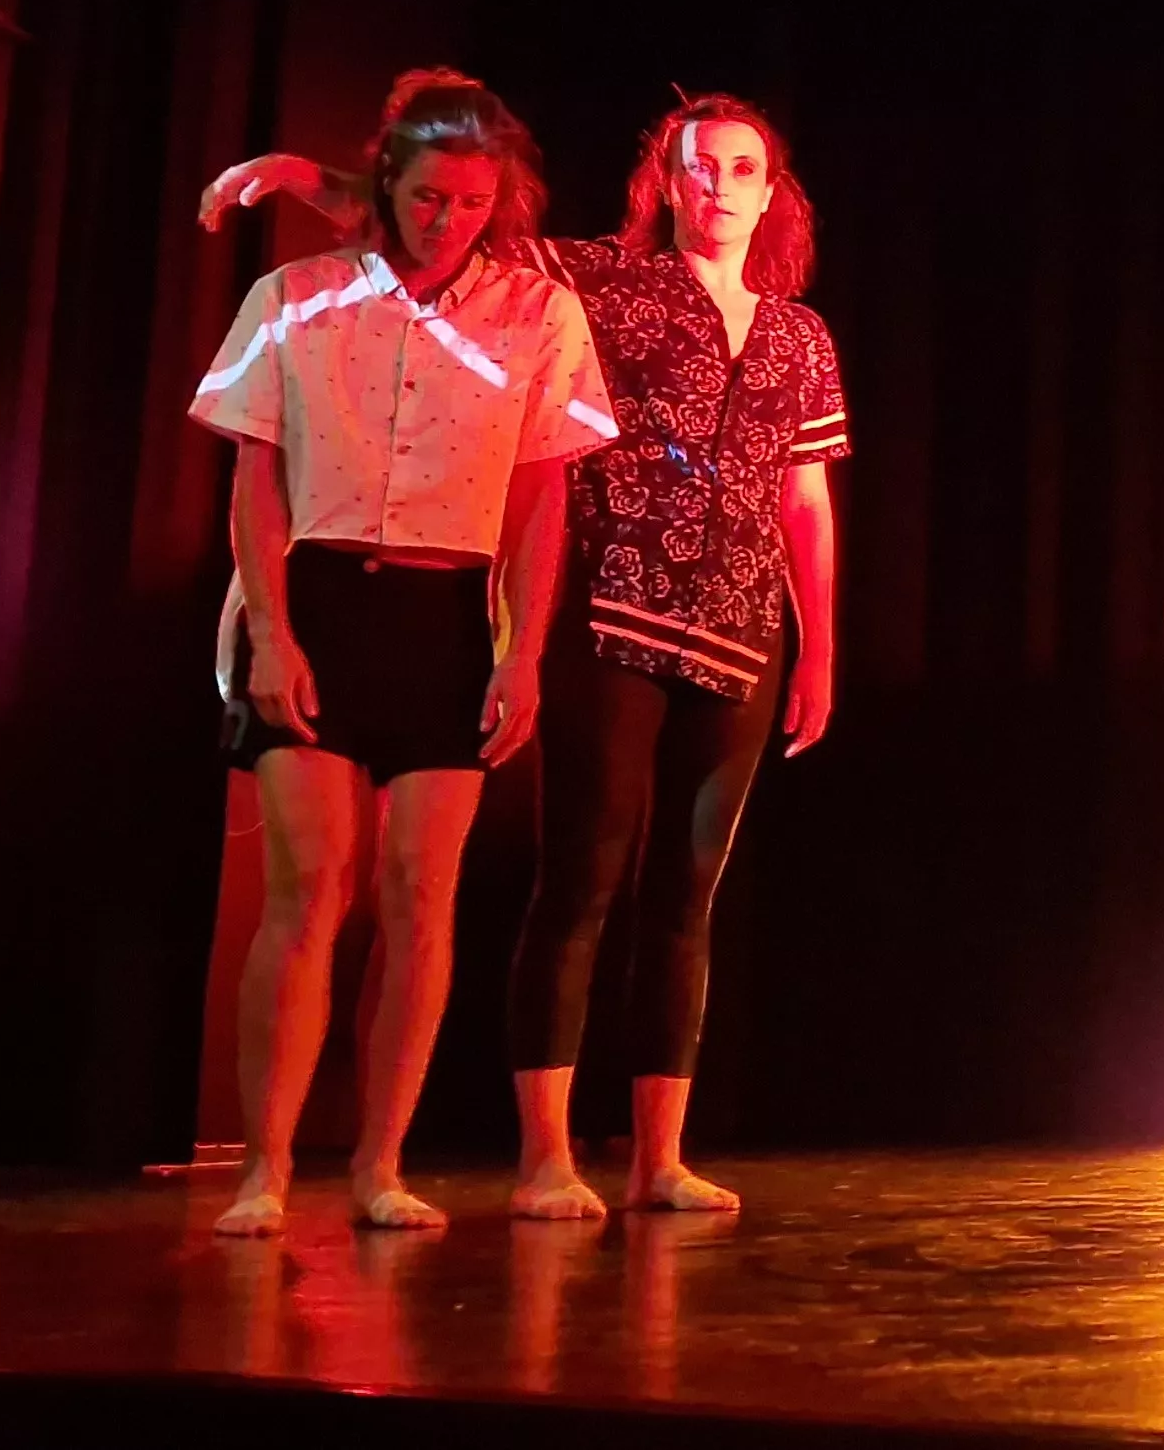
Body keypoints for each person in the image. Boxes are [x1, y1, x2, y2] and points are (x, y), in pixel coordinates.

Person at [205, 92, 847, 1217]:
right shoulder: (576, 280)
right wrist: (298, 173)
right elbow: (436, 221)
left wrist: (817, 646)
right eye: (697, 168)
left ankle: (554, 1160)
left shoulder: (769, 329)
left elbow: (786, 496)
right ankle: (398, 1159)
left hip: (646, 622)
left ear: (770, 186)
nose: (717, 188)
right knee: (434, 883)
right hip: (493, 607)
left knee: (595, 893)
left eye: (741, 168)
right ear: (666, 179)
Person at [188, 71, 614, 1235]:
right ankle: (264, 1168)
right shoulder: (300, 293)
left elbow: (542, 504)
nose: (448, 221)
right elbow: (256, 480)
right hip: (323, 594)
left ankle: (380, 1164)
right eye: (428, 197)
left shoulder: (537, 315)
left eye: (472, 203)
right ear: (386, 186)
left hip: (447, 611)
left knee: (422, 893)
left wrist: (520, 656)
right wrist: (270, 631)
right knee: (309, 884)